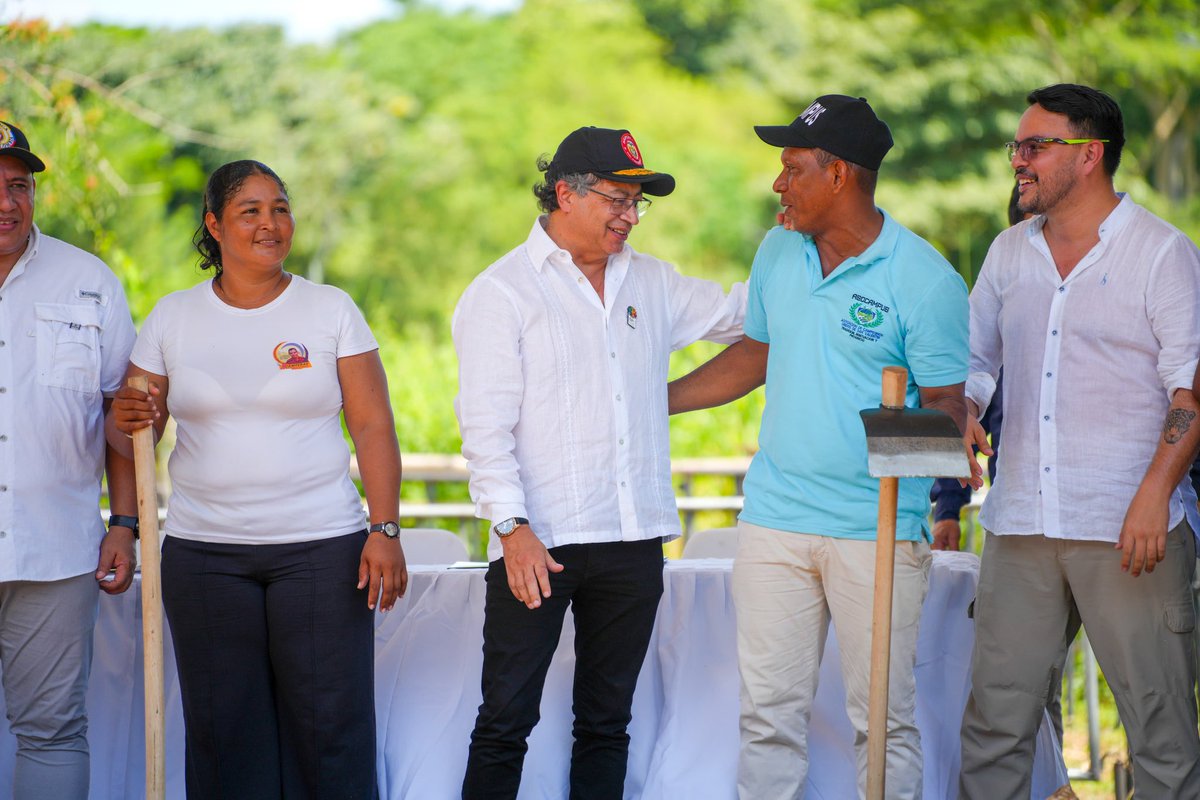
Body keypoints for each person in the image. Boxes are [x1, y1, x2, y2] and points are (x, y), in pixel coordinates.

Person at [669, 95, 970, 800]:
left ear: (839, 176)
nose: (778, 184)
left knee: (882, 721)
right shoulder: (778, 249)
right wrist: (655, 402)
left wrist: (937, 431)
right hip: (775, 519)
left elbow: (948, 402)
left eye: (793, 168)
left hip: (875, 528)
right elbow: (756, 354)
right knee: (767, 718)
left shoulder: (924, 279)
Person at [454, 126, 745, 800]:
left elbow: (746, 315)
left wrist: (806, 254)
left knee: (608, 724)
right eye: (618, 199)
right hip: (539, 539)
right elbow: (485, 430)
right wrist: (512, 528)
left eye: (638, 202)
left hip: (634, 537)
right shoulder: (501, 292)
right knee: (505, 722)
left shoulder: (653, 280)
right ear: (566, 193)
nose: (630, 216)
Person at [108, 160, 406, 799]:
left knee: (330, 729)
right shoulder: (172, 317)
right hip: (205, 555)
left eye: (280, 208)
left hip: (321, 549)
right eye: (250, 211)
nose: (270, 223)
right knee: (225, 735)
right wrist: (128, 420)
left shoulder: (330, 309)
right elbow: (133, 436)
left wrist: (385, 529)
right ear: (214, 225)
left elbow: (373, 426)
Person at [959, 84, 1200, 798]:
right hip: (1020, 524)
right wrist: (964, 407)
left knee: (1160, 734)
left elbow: (1190, 391)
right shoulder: (1008, 252)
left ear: (1089, 155)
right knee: (994, 729)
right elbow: (974, 361)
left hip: (1130, 529)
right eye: (1017, 146)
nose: (1018, 160)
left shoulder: (1163, 253)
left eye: (1035, 146)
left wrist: (1155, 494)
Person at [0, 121, 138, 800]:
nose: (7, 202)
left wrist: (126, 523)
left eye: (19, 186)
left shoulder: (89, 281)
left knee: (52, 731)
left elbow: (124, 418)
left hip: (55, 549)